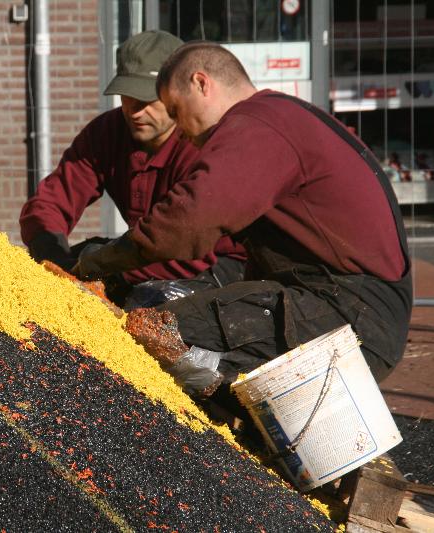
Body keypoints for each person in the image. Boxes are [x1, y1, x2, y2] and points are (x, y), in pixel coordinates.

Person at [72, 42, 412, 417]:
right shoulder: (279, 116)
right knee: (174, 328)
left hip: (349, 311)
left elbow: (187, 221)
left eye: (176, 111)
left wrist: (98, 262)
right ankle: (239, 420)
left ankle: (220, 425)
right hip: (347, 303)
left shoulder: (257, 126)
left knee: (152, 328)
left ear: (202, 83)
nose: (181, 131)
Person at [20, 31, 245, 308]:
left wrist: (112, 275)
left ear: (175, 93)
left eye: (147, 100)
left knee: (145, 306)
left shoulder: (201, 144)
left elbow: (192, 250)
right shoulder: (107, 132)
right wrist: (53, 258)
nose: (135, 112)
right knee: (39, 278)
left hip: (220, 264)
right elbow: (50, 202)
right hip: (143, 254)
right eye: (127, 97)